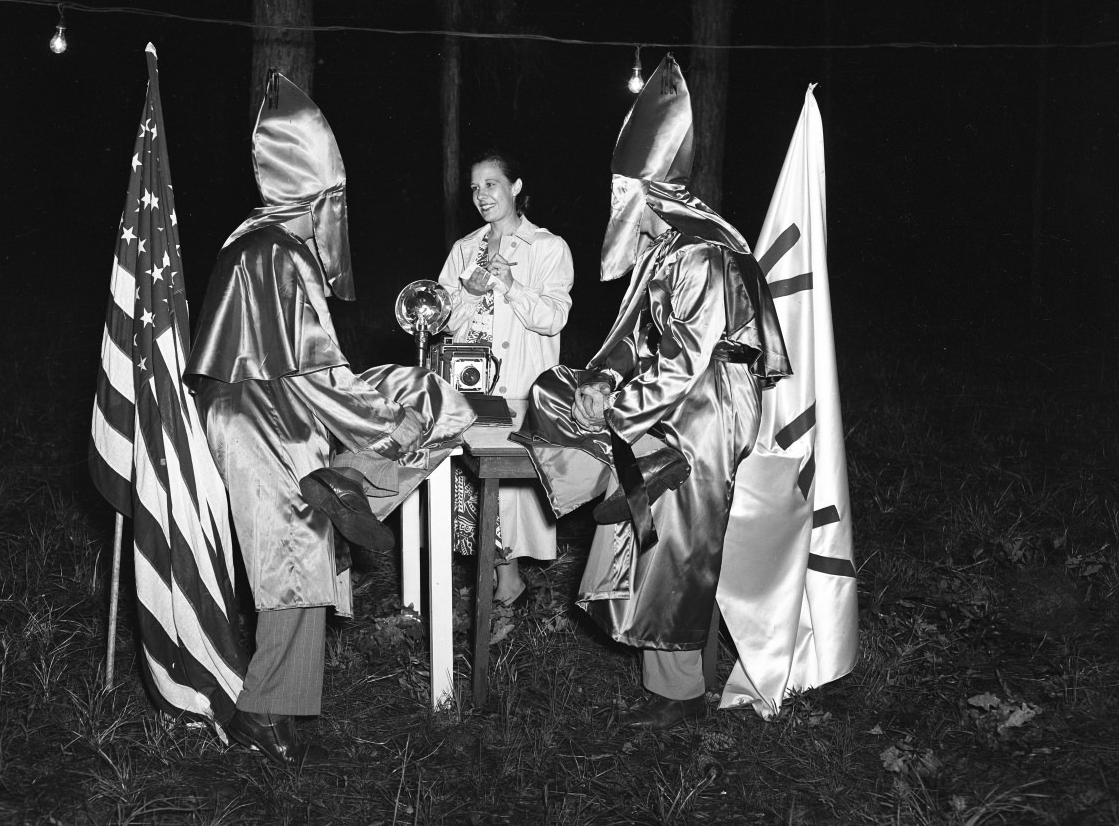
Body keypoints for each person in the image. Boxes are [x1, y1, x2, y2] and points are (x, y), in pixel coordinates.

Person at [185, 72, 475, 769]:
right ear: (314, 197)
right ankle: (262, 715)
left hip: (271, 411)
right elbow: (317, 373)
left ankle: (286, 702)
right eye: (331, 203)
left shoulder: (252, 238)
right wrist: (386, 427)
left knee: (312, 542)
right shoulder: (280, 253)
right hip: (263, 423)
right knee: (293, 559)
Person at [513, 55, 791, 729]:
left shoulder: (700, 251)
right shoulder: (667, 247)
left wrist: (621, 412)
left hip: (706, 410)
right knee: (554, 389)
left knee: (673, 537)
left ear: (650, 192)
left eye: (623, 193)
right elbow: (638, 338)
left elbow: (687, 362)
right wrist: (602, 381)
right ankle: (590, 490)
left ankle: (679, 698)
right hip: (674, 397)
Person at [437, 150, 574, 605]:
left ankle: (505, 586)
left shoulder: (548, 247)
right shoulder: (463, 249)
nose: (481, 195)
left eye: (491, 184)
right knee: (470, 486)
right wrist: (471, 296)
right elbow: (446, 321)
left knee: (507, 496)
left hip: (516, 388)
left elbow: (553, 317)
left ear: (515, 188)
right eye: (475, 188)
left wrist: (509, 285)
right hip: (469, 387)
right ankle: (501, 581)